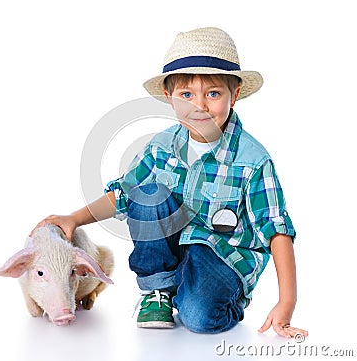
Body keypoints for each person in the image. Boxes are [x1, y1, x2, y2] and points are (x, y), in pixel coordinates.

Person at [34, 27, 308, 337]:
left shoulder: (252, 161)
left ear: (235, 94)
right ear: (170, 98)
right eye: (187, 95)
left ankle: (214, 295)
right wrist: (73, 218)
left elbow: (276, 229)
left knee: (199, 319)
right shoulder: (161, 147)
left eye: (213, 93)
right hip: (175, 248)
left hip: (223, 256)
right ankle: (159, 290)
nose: (200, 105)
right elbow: (123, 194)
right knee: (148, 192)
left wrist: (287, 301)